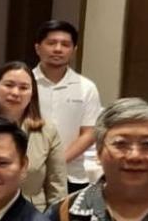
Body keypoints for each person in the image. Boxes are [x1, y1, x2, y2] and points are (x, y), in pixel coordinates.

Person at [32, 20, 102, 192]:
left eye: (65, 44)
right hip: (29, 171)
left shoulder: (87, 87)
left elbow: (90, 133)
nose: (58, 49)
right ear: (38, 48)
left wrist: (58, 162)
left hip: (73, 174)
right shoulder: (24, 83)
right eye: (51, 43)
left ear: (74, 50)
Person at [0, 61, 66, 210]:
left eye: (23, 88)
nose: (15, 93)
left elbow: (57, 185)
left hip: (32, 214)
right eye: (9, 85)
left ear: (32, 95)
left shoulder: (47, 132)